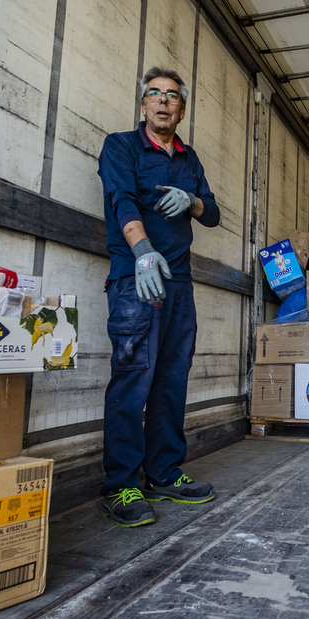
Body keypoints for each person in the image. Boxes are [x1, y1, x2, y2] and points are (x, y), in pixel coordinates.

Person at [97, 66, 221, 527]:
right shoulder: (121, 146)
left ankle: (164, 473)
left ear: (181, 108)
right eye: (155, 94)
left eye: (172, 96)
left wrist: (193, 202)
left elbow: (213, 213)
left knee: (171, 380)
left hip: (180, 284)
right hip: (137, 278)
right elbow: (120, 199)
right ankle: (121, 485)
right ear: (143, 104)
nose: (163, 101)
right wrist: (142, 249)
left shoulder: (189, 159)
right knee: (133, 379)